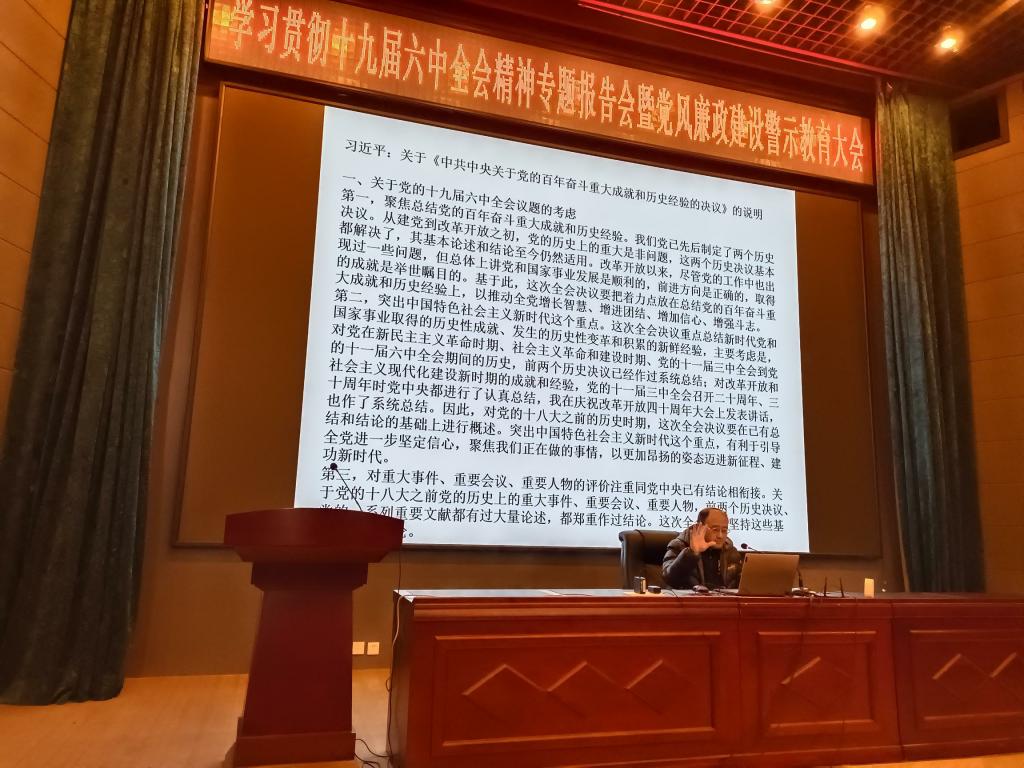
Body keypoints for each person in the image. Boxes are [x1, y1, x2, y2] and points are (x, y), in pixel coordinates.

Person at [662, 506, 744, 590]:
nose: (720, 536)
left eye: (724, 530)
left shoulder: (730, 550)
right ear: (699, 527)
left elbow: (741, 583)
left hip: (723, 598)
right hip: (689, 597)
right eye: (715, 530)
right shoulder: (679, 545)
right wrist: (692, 552)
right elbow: (669, 579)